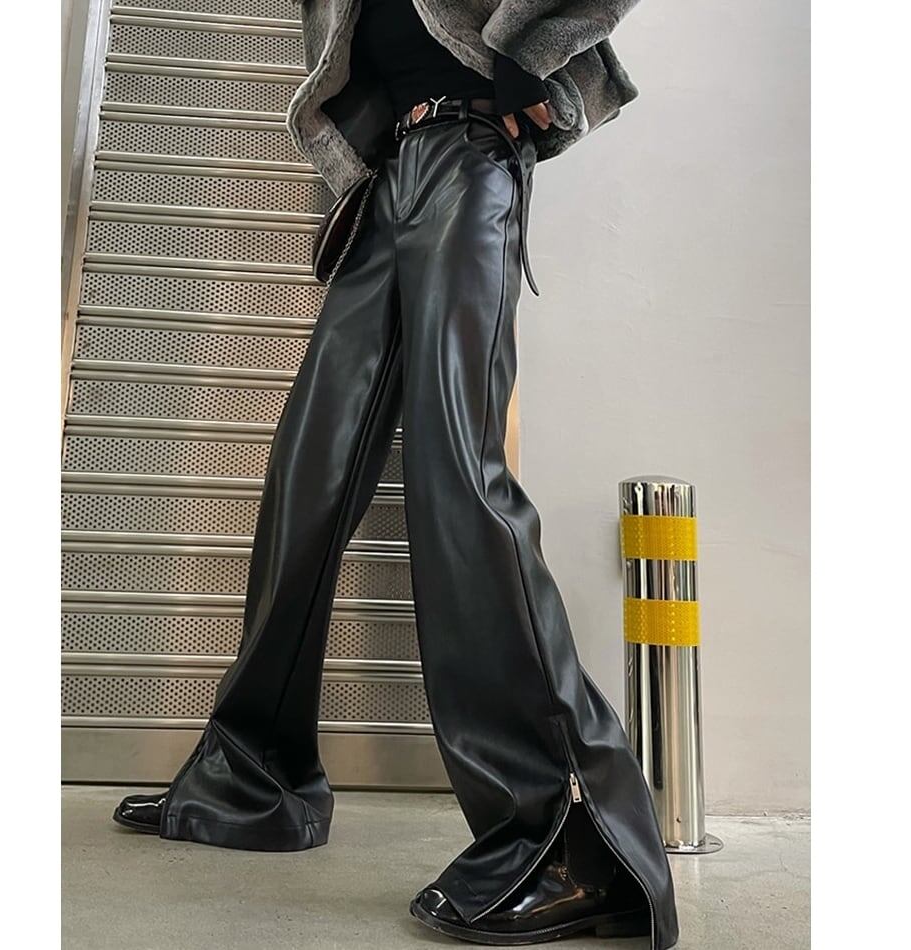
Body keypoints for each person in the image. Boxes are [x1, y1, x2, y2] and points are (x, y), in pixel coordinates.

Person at [113, 1, 679, 947]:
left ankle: (572, 840)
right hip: (388, 178)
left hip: (474, 153)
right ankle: (254, 778)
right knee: (310, 471)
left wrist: (526, 54)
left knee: (459, 474)